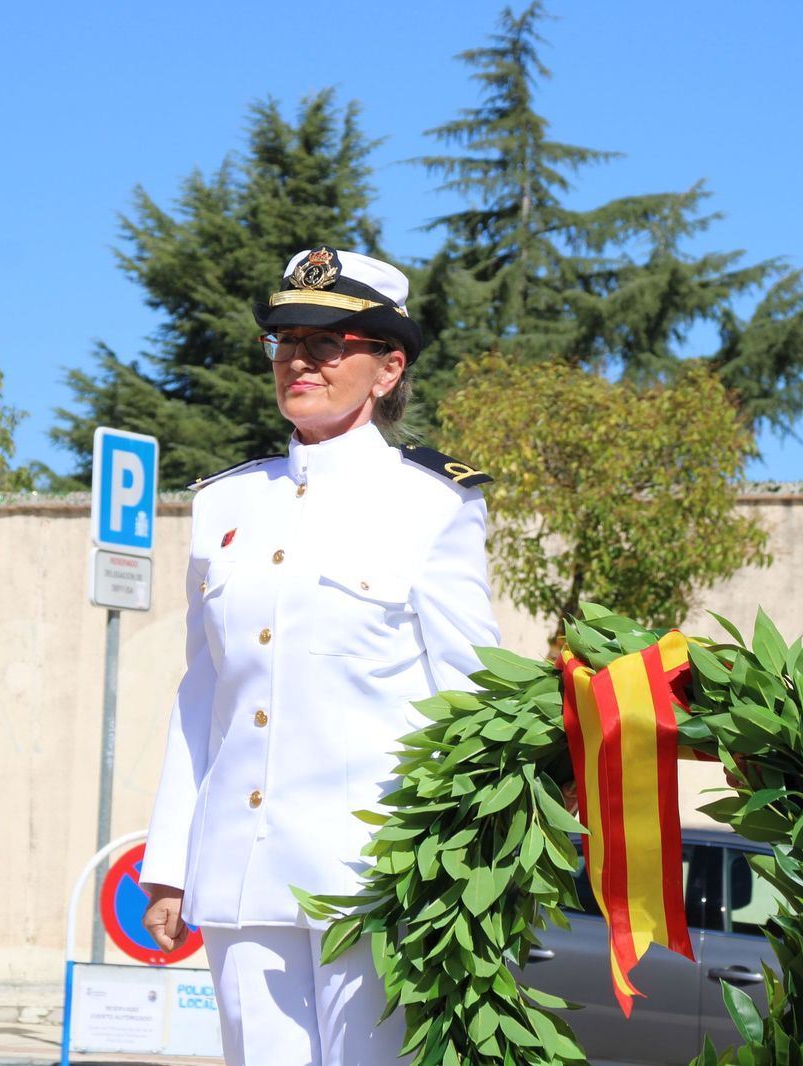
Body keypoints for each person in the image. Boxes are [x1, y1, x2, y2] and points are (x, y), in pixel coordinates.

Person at [137, 246, 501, 1066]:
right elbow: (205, 696)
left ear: (387, 367)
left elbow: (472, 693)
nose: (301, 358)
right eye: (288, 339)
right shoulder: (226, 503)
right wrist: (170, 859)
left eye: (331, 342)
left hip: (374, 877)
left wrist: (473, 863)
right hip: (242, 871)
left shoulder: (432, 502)